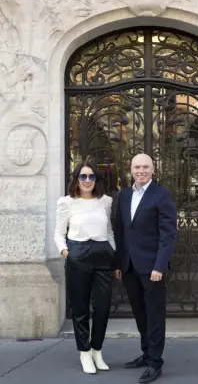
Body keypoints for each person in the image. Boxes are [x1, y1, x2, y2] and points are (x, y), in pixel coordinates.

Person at [115, 153, 177, 383]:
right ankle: (146, 353)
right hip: (130, 267)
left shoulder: (162, 195)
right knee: (140, 313)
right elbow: (121, 231)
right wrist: (120, 263)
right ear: (130, 169)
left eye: (145, 167)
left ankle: (155, 363)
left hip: (152, 268)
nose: (141, 170)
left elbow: (168, 236)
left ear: (153, 169)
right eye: (137, 167)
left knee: (154, 315)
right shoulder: (124, 195)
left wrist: (160, 265)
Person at [54, 158, 115, 374]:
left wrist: (113, 254)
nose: (87, 180)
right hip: (78, 254)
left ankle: (97, 349)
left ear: (96, 180)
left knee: (103, 306)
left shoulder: (105, 201)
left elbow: (108, 230)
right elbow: (59, 233)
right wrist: (65, 252)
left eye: (91, 176)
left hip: (102, 255)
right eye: (83, 176)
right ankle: (84, 352)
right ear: (77, 179)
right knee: (80, 308)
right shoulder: (66, 202)